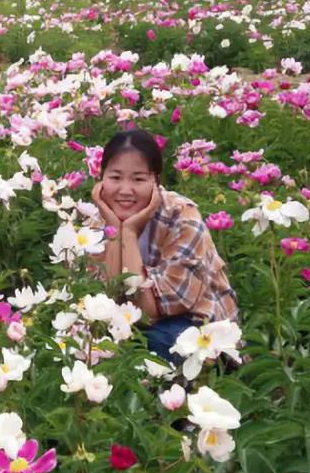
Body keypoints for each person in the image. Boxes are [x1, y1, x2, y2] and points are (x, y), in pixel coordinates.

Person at [90, 129, 238, 363]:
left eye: (138, 179)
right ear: (101, 180)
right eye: (115, 177)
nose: (125, 190)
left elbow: (147, 314)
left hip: (196, 325)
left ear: (156, 181)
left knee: (156, 346)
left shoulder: (182, 216)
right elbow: (107, 296)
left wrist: (128, 233)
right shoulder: (98, 220)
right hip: (129, 321)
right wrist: (114, 228)